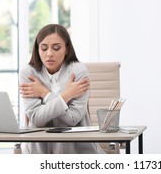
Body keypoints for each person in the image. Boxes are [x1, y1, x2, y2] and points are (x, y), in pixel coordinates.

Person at [19, 24, 104, 154]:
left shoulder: (78, 71)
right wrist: (66, 96)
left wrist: (44, 93)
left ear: (67, 49)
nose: (49, 54)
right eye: (43, 48)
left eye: (56, 48)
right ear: (37, 49)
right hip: (39, 150)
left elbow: (73, 119)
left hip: (76, 150)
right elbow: (36, 118)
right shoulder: (28, 73)